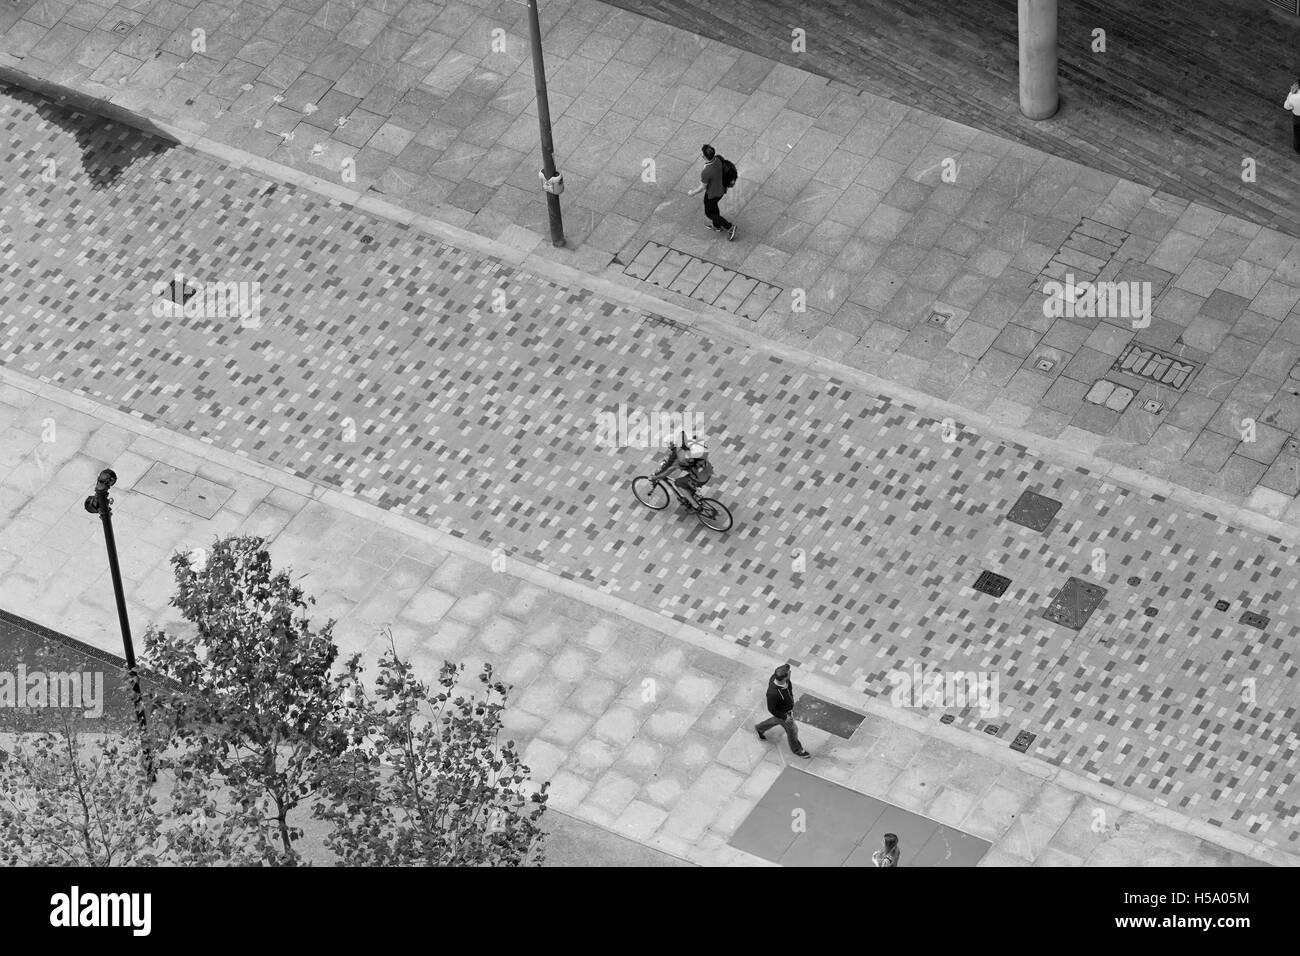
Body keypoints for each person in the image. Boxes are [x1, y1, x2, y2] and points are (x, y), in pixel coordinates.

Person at [754, 663, 811, 758]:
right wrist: (785, 717)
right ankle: (797, 749)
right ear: (784, 677)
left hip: (786, 709)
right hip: (783, 713)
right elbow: (771, 708)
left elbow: (788, 689)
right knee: (792, 730)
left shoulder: (783, 680)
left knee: (776, 720)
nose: (790, 673)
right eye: (789, 672)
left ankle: (759, 728)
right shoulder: (773, 694)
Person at [686, 144, 736, 240]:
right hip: (720, 190)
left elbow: (702, 187)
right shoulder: (717, 160)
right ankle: (717, 226)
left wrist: (692, 193)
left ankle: (730, 227)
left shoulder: (707, 172)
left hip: (712, 194)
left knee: (709, 213)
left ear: (704, 156)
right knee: (713, 207)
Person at [651, 435, 713, 511]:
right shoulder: (688, 446)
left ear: (670, 445)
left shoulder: (678, 457)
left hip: (700, 478)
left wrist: (654, 477)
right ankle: (692, 495)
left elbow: (667, 471)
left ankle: (696, 506)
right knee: (687, 480)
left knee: (678, 482)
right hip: (708, 471)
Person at [1286, 79, 1300, 154]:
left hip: (1298, 118)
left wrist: (1291, 93)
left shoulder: (1293, 97)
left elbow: (1287, 107)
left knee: (1298, 134)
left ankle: (1298, 148)